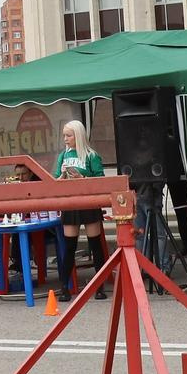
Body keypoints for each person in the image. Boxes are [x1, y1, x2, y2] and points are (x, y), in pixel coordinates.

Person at [52, 119, 107, 295]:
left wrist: (81, 179)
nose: (65, 139)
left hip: (89, 203)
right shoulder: (63, 156)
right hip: (70, 203)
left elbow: (101, 180)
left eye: (68, 135)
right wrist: (62, 175)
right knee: (69, 246)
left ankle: (99, 286)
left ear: (78, 135)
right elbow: (54, 182)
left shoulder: (91, 155)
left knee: (95, 244)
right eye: (64, 136)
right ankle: (64, 287)